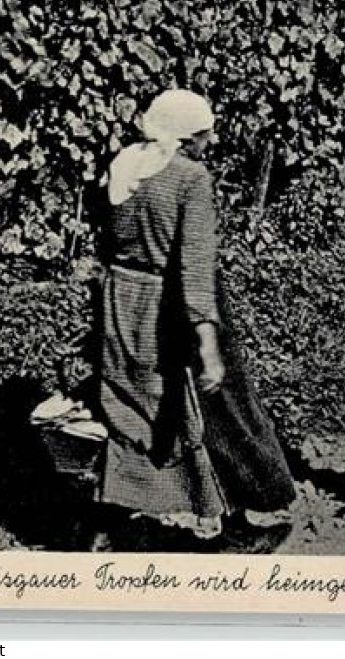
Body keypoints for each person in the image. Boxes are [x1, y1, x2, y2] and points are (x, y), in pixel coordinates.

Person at [96, 89, 295, 543]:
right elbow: (195, 266)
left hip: (122, 297)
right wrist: (208, 342)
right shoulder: (190, 178)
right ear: (187, 138)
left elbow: (107, 242)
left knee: (131, 410)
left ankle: (113, 524)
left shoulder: (126, 165)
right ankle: (231, 529)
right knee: (208, 410)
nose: (212, 141)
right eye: (205, 133)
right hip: (172, 306)